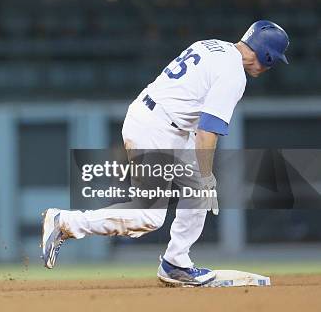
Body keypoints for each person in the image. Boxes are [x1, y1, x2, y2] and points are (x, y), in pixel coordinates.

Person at [41, 20, 290, 286]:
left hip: (162, 121)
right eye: (272, 60)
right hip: (157, 128)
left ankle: (176, 264)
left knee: (197, 190)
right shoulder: (233, 74)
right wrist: (207, 176)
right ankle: (65, 221)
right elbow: (207, 132)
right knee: (150, 215)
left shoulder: (213, 46)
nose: (269, 67)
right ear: (266, 55)